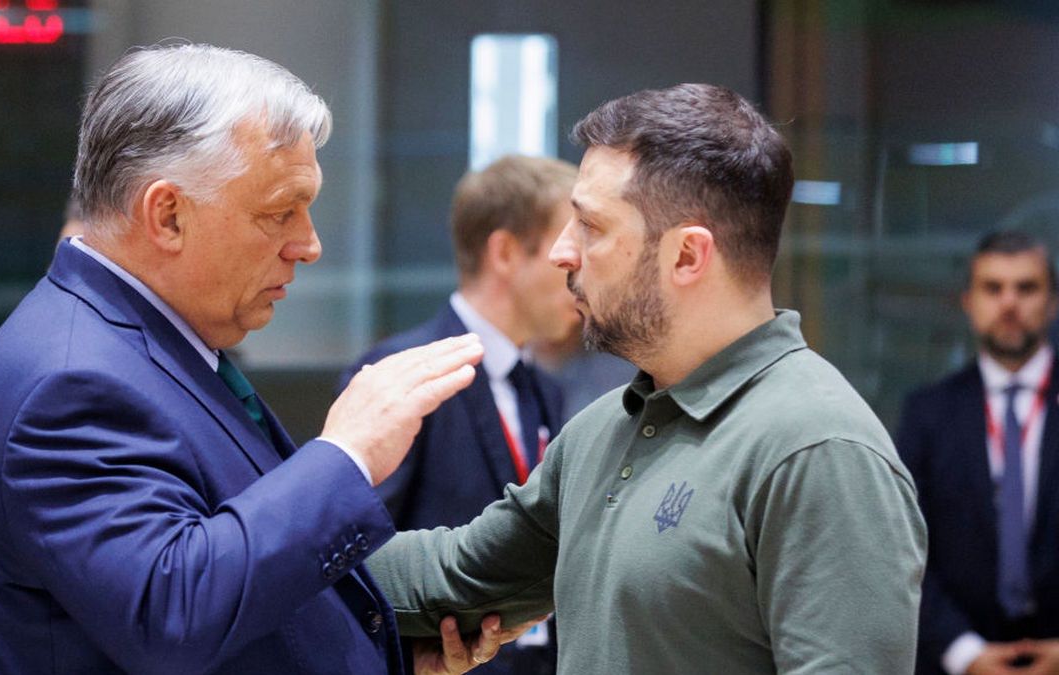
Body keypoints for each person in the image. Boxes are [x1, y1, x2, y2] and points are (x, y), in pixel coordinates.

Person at [0, 43, 517, 675]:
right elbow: (173, 611)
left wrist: (376, 649)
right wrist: (348, 453)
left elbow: (232, 565)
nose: (309, 244)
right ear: (168, 215)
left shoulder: (153, 343)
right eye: (280, 212)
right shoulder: (71, 380)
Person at [365, 83, 927, 674]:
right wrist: (278, 534)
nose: (562, 252)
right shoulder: (602, 431)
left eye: (591, 226)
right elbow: (454, 576)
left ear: (687, 255)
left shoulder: (818, 450)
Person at [342, 154, 580, 675]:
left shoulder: (545, 389)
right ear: (505, 252)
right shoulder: (399, 374)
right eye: (563, 252)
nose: (576, 268)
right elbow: (351, 555)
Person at [898, 231, 1059, 675]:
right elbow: (903, 546)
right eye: (993, 288)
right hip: (954, 660)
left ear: (1053, 301)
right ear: (969, 302)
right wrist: (964, 653)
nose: (1009, 303)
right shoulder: (927, 414)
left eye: (1026, 288)